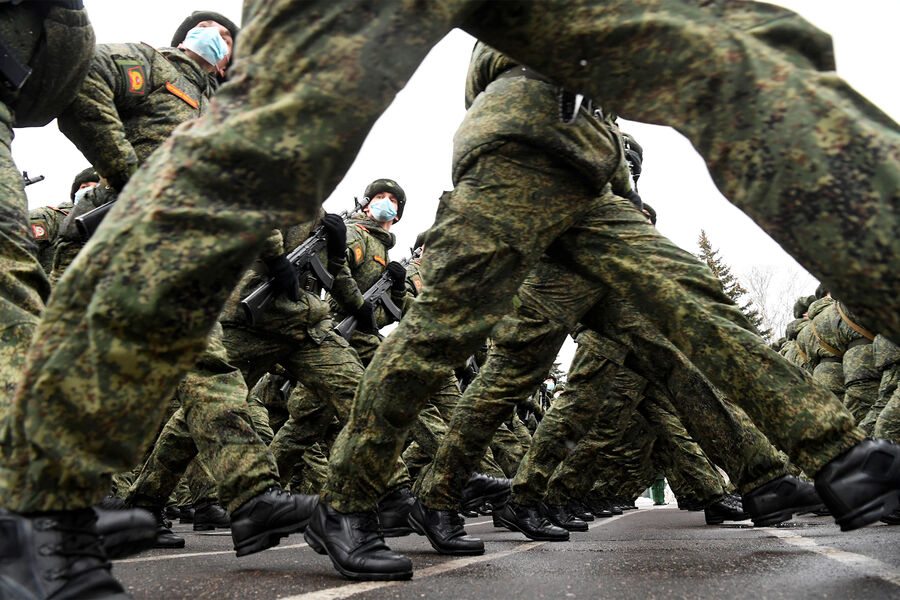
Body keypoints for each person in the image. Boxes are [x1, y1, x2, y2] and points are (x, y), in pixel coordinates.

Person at [5, 0, 900, 593]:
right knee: (265, 178)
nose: (214, 45)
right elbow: (92, 94)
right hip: (516, 159)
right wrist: (126, 169)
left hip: (580, 181)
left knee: (730, 124)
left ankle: (840, 452)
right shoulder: (157, 73)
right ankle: (45, 494)